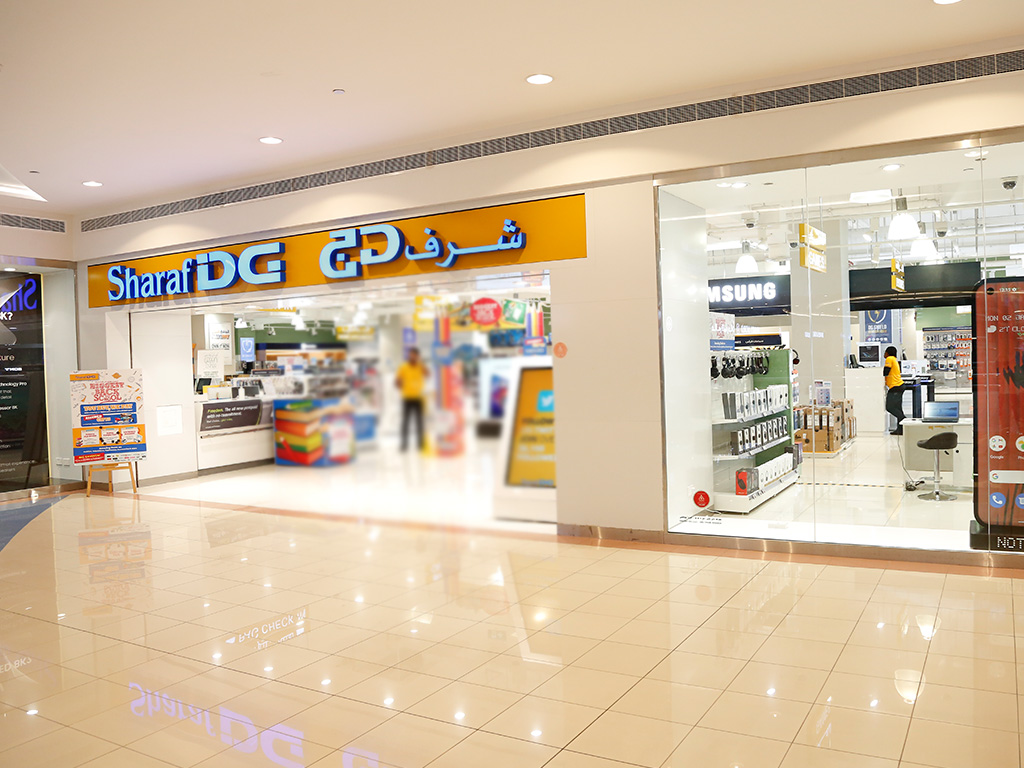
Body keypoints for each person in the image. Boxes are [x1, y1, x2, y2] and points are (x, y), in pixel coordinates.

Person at [396, 347, 428, 452]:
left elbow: (428, 374)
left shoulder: (421, 366)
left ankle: (420, 444)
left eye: (414, 355)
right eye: (411, 354)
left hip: (418, 398)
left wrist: (422, 364)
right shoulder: (403, 367)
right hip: (406, 398)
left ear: (417, 356)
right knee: (405, 422)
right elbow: (397, 381)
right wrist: (399, 383)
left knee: (419, 422)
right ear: (409, 355)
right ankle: (404, 444)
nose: (412, 356)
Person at [883, 345, 905, 435]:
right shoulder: (894, 360)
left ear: (888, 353)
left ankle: (904, 420)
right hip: (899, 386)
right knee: (898, 408)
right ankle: (900, 429)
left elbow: (886, 372)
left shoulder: (889, 359)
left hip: (895, 387)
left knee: (890, 407)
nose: (884, 354)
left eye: (885, 352)